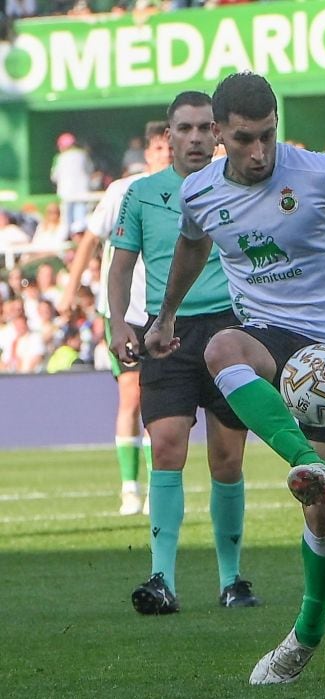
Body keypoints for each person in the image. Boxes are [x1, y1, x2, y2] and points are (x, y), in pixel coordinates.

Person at [142, 72, 325, 683]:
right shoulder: (199, 193)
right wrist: (165, 316)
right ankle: (309, 464)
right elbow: (193, 246)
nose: (259, 153)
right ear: (218, 135)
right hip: (268, 333)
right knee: (220, 346)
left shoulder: (322, 173)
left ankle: (308, 631)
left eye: (268, 136)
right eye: (244, 140)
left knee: (322, 520)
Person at [108, 91, 258, 614]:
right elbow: (122, 262)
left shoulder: (240, 187)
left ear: (217, 134)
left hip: (229, 332)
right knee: (167, 446)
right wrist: (117, 318)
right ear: (167, 136)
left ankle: (232, 580)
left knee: (226, 457)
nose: (195, 138)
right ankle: (162, 578)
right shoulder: (142, 194)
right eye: (184, 129)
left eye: (203, 128)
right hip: (163, 332)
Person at [58, 121, 171, 516]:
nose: (166, 154)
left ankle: (159, 486)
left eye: (169, 147)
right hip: (123, 311)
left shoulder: (184, 189)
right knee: (131, 396)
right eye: (159, 148)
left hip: (163, 311)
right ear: (148, 154)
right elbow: (91, 237)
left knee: (159, 400)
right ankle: (129, 488)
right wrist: (71, 289)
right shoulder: (121, 191)